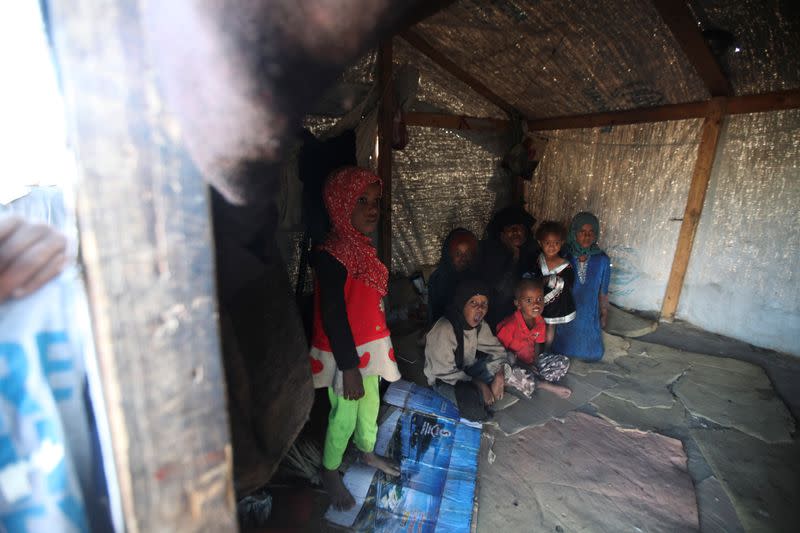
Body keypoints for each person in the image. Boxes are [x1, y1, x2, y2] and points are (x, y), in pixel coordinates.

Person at [308, 167, 402, 511]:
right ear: (340, 203)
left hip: (370, 347)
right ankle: (329, 469)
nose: (372, 208)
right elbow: (333, 314)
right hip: (347, 353)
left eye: (376, 201)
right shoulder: (332, 253)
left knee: (371, 405)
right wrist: (348, 368)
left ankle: (366, 452)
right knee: (344, 414)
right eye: (361, 200)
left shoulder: (361, 248)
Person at [424, 279, 507, 422]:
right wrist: (479, 384)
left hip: (466, 370)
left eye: (484, 304)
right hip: (444, 380)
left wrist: (499, 375)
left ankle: (488, 390)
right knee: (472, 399)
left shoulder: (479, 325)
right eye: (473, 303)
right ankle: (483, 399)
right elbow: (443, 372)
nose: (480, 309)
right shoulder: (445, 329)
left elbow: (498, 351)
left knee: (508, 361)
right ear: (462, 304)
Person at [496, 279, 571, 398]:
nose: (536, 304)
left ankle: (530, 378)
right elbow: (500, 354)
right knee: (516, 370)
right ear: (518, 304)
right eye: (529, 300)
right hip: (512, 364)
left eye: (539, 299)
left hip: (530, 362)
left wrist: (536, 362)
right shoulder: (509, 326)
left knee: (562, 363)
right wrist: (525, 366)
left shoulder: (539, 321)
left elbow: (537, 344)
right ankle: (541, 384)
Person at [551, 212, 611, 361]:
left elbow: (603, 291)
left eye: (591, 232)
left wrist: (604, 313)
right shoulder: (564, 255)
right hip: (566, 310)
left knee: (592, 352)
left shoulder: (602, 260)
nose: (587, 236)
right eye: (582, 232)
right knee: (561, 348)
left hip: (588, 313)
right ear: (574, 233)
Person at [478, 206, 539, 331]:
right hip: (499, 320)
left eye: (519, 228)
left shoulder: (534, 253)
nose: (516, 232)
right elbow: (499, 293)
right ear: (502, 235)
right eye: (510, 229)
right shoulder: (491, 256)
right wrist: (514, 256)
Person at [525, 221, 576, 351]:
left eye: (556, 243)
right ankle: (534, 350)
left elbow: (568, 283)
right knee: (536, 325)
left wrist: (550, 280)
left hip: (555, 304)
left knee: (549, 326)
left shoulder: (566, 265)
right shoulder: (538, 260)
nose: (552, 246)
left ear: (562, 243)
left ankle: (546, 351)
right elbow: (531, 275)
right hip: (537, 300)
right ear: (540, 243)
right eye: (548, 243)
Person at [427, 228, 478, 328]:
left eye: (467, 254)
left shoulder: (476, 275)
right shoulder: (438, 278)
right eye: (458, 254)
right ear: (450, 254)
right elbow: (435, 314)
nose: (463, 258)